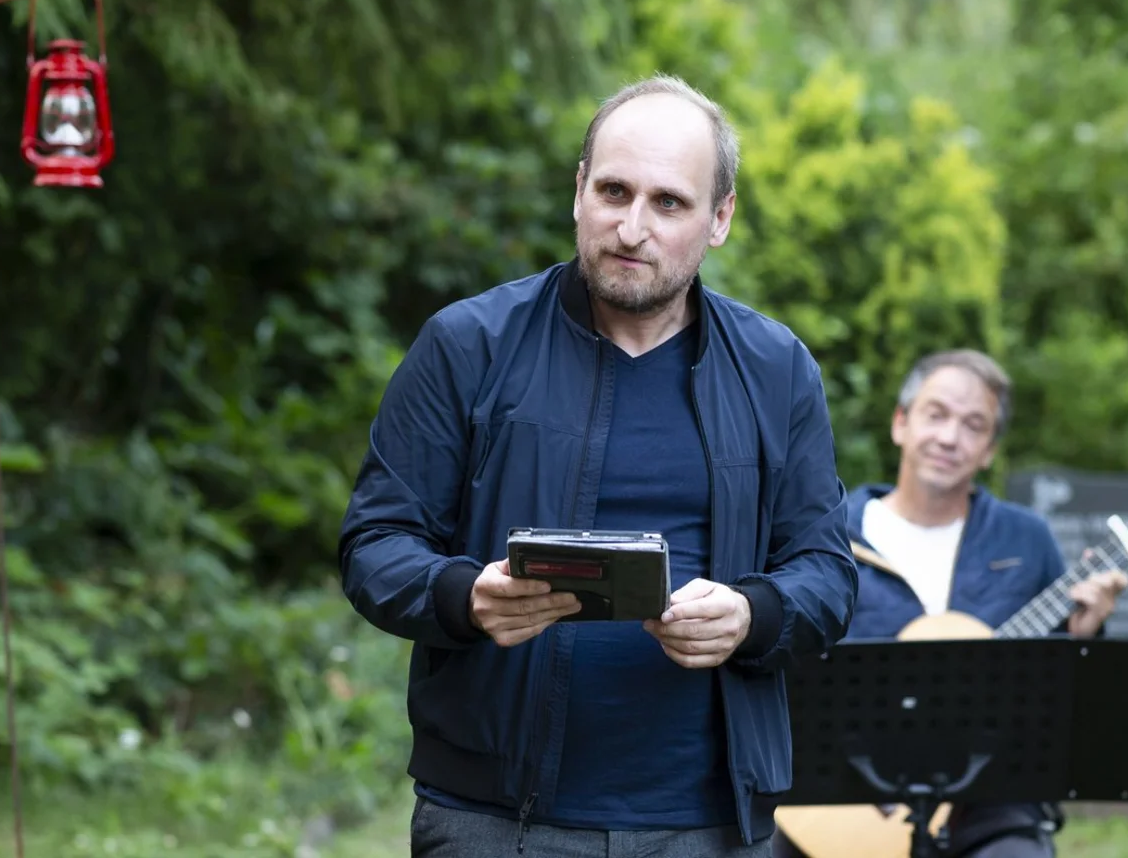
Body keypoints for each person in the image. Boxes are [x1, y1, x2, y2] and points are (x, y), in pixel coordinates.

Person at [338, 74, 859, 858]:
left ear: (720, 218)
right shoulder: (467, 345)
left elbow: (827, 572)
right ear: (578, 191)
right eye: (614, 191)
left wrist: (754, 615)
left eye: (669, 203)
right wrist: (463, 597)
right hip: (493, 820)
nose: (632, 227)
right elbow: (374, 543)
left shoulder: (776, 368)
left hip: (708, 823)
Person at [772, 349, 1128, 858]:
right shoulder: (829, 533)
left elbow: (1066, 701)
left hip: (991, 806)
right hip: (842, 799)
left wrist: (1084, 637)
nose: (949, 437)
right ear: (900, 423)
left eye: (973, 425)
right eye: (936, 414)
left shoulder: (1027, 539)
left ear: (989, 451)